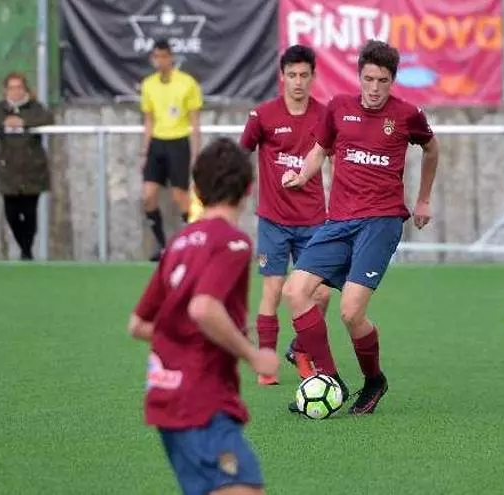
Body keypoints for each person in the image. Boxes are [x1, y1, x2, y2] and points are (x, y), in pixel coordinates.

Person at [281, 39, 439, 415]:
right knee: (295, 291)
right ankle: (330, 380)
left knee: (350, 312)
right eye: (368, 79)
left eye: (382, 81)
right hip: (339, 221)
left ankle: (374, 380)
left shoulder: (407, 115)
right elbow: (320, 149)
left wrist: (423, 199)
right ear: (359, 77)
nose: (374, 88)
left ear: (392, 81)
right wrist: (302, 175)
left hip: (381, 222)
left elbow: (432, 148)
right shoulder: (338, 108)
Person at [128, 137, 278, 495]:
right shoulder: (233, 242)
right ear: (248, 189)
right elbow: (203, 307)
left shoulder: (179, 243)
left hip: (165, 397)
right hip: (202, 399)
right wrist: (253, 354)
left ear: (196, 189)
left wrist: (196, 332)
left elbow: (138, 325)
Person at [223, 45, 330, 386]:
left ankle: (301, 350)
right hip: (274, 220)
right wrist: (235, 197)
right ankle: (266, 364)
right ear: (282, 76)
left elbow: (339, 158)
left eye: (304, 75)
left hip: (314, 221)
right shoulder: (263, 116)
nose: (298, 81)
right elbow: (240, 155)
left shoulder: (325, 115)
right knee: (273, 288)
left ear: (313, 77)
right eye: (292, 75)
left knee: (321, 295)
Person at [0, 72, 54, 261]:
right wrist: (3, 123)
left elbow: (48, 119)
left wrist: (24, 123)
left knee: (29, 212)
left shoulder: (35, 107)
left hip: (32, 169)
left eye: (19, 87)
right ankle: (25, 249)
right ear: (5, 90)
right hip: (8, 169)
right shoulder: (0, 108)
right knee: (11, 213)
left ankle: (26, 253)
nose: (15, 91)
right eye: (11, 88)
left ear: (25, 89)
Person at [139, 39, 203, 261]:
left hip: (178, 142)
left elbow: (195, 122)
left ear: (171, 57)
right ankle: (161, 244)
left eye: (164, 56)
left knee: (180, 197)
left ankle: (193, 244)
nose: (161, 61)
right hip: (157, 143)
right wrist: (144, 152)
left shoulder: (187, 83)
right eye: (157, 57)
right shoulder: (148, 84)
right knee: (148, 197)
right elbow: (148, 121)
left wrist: (195, 153)